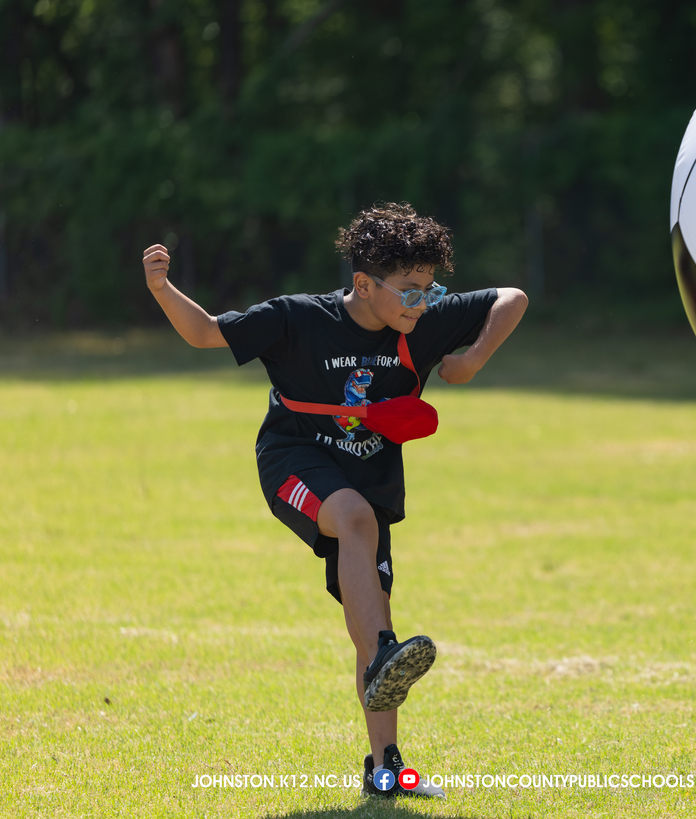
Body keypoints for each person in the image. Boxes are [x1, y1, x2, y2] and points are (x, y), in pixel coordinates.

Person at [142, 202, 528, 799]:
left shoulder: (422, 320)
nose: (419, 303)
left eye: (429, 289)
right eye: (407, 290)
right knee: (352, 520)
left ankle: (386, 767)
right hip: (292, 461)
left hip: (370, 479)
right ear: (363, 285)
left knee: (373, 608)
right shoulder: (297, 319)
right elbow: (203, 333)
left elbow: (513, 298)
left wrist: (472, 358)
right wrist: (162, 287)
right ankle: (381, 656)